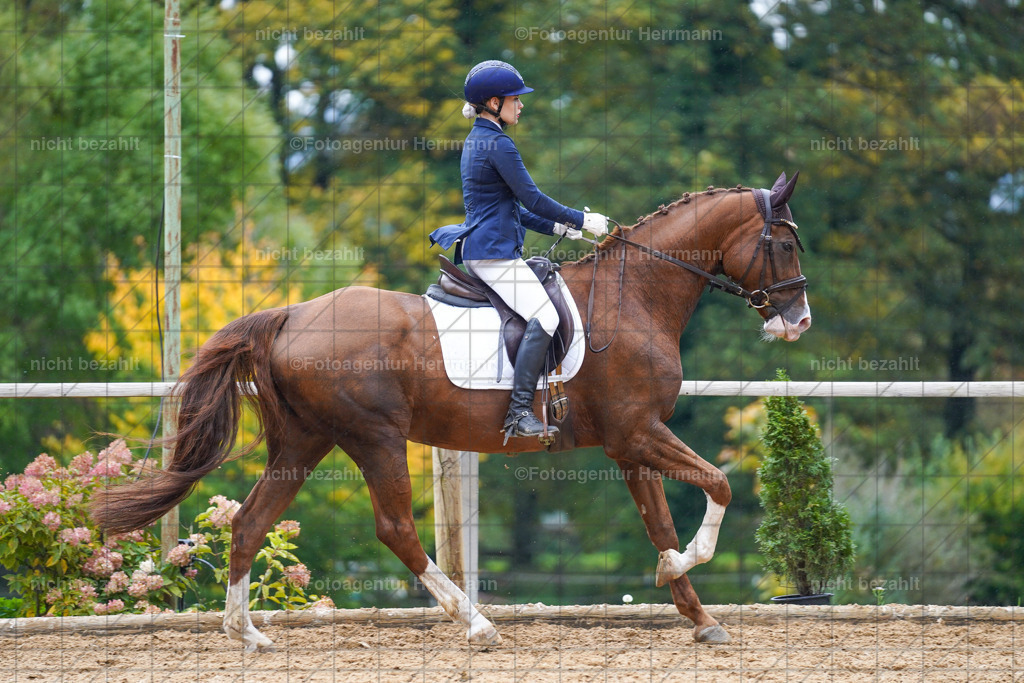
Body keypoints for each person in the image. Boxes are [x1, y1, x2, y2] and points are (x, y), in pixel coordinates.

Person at [430, 60, 608, 442]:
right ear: (494, 103)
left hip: (487, 247)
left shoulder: (479, 140)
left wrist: (560, 227)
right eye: (515, 99)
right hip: (494, 255)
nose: (521, 105)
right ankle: (519, 411)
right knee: (545, 318)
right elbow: (532, 197)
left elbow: (513, 209)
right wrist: (580, 218)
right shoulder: (498, 144)